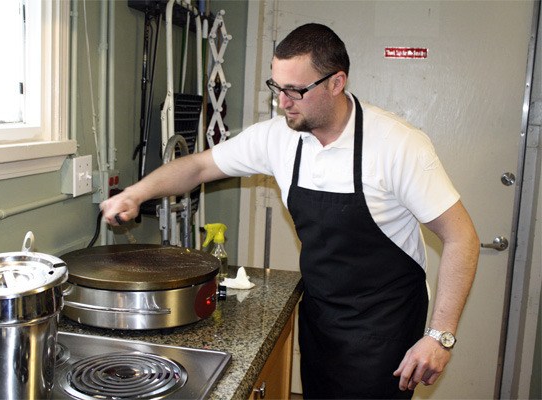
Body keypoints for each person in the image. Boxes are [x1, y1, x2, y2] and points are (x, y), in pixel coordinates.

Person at [101, 23, 480, 399]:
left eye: (295, 90)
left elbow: (461, 237)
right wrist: (136, 193)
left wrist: (439, 337)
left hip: (385, 327)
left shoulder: (398, 145)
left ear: (336, 82)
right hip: (321, 318)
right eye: (276, 87)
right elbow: (199, 166)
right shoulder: (279, 137)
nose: (282, 102)